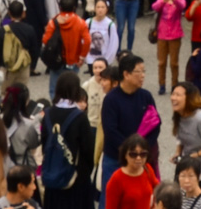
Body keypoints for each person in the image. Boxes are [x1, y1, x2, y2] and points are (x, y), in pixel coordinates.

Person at [96, 54, 156, 198]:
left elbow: (155, 124)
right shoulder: (111, 99)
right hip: (115, 158)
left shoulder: (146, 96)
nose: (142, 76)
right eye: (139, 72)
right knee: (110, 201)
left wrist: (143, 150)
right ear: (126, 74)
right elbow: (110, 130)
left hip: (140, 158)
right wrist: (130, 151)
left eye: (144, 72)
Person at [37, 73, 93, 209]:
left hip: (53, 172)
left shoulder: (48, 114)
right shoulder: (80, 117)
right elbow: (88, 149)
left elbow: (45, 143)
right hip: (76, 177)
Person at [149, 0, 186, 97]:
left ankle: (174, 84)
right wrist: (164, 0)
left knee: (174, 63)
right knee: (161, 62)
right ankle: (162, 84)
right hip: (162, 34)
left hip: (175, 34)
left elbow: (182, 6)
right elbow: (154, 7)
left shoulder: (180, 0)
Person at [100, 137, 155, 209]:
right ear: (125, 155)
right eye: (133, 154)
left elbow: (158, 189)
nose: (138, 158)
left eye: (143, 154)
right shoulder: (117, 179)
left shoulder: (147, 169)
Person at [84, 0, 118, 67]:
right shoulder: (88, 22)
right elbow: (83, 41)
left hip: (105, 60)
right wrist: (87, 58)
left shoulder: (110, 24)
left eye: (103, 7)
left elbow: (113, 44)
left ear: (107, 9)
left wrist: (107, 60)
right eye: (98, 7)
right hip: (90, 60)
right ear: (94, 9)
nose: (100, 10)